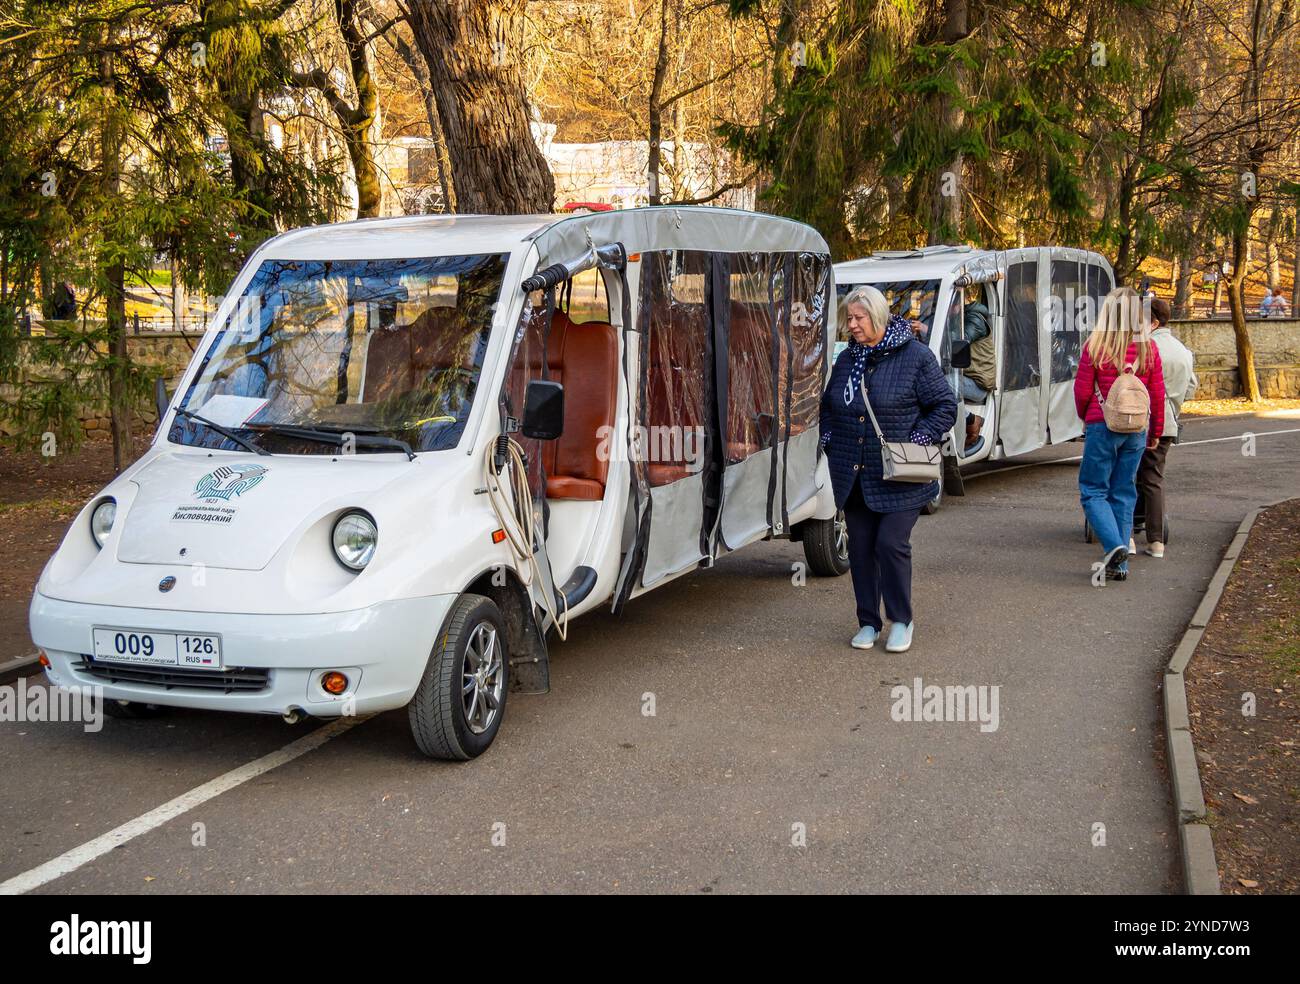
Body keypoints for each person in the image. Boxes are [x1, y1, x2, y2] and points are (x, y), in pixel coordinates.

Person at [819, 285, 958, 652]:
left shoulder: (915, 357)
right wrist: (830, 438)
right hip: (855, 473)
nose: (852, 325)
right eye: (849, 318)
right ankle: (868, 622)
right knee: (861, 549)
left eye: (859, 318)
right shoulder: (848, 359)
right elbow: (829, 407)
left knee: (891, 544)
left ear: (878, 317)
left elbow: (945, 405)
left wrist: (919, 439)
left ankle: (901, 620)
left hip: (902, 476)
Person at [1074, 286, 1165, 581]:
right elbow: (1157, 393)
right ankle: (1120, 564)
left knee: (1093, 491)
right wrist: (1156, 430)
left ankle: (1114, 547)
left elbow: (1083, 390)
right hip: (1136, 427)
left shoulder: (1095, 346)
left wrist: (1085, 418)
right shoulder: (1148, 348)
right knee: (1124, 492)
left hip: (1103, 424)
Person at [1135, 297, 1197, 559]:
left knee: (1128, 475)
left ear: (1153, 322)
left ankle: (1127, 532)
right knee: (1153, 478)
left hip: (1140, 420)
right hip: (1169, 421)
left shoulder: (1145, 348)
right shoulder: (1183, 351)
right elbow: (1191, 388)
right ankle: (1156, 540)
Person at [959, 300, 995, 454]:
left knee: (941, 386)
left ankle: (972, 420)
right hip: (968, 377)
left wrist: (927, 329)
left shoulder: (975, 320)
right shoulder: (962, 318)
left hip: (978, 383)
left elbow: (960, 340)